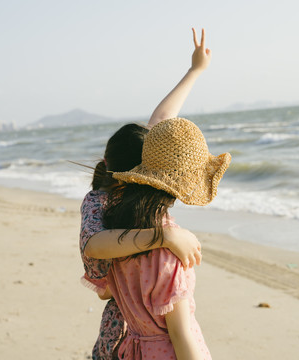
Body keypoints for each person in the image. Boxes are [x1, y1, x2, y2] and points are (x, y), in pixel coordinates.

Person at [79, 28, 211, 359]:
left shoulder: (128, 199)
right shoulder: (102, 205)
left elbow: (163, 119)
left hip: (136, 322)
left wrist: (195, 70)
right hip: (125, 328)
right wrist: (163, 237)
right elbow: (94, 246)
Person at [104, 117, 231, 359]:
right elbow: (181, 335)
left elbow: (105, 292)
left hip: (134, 350)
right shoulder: (170, 248)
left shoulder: (117, 231)